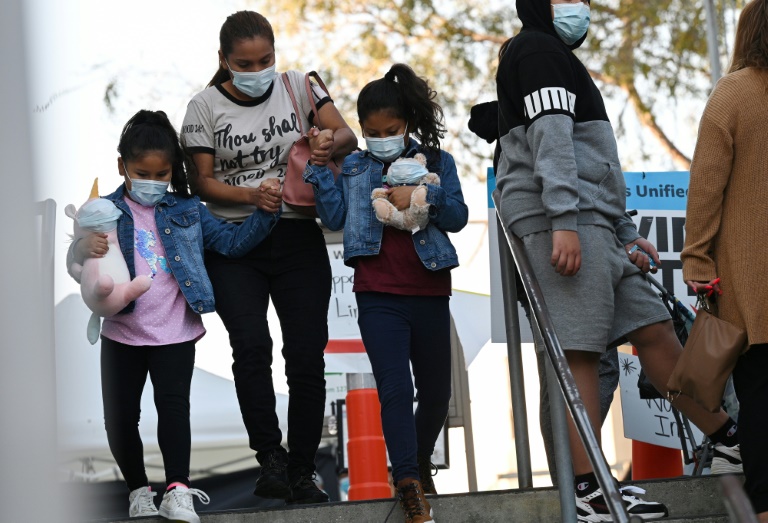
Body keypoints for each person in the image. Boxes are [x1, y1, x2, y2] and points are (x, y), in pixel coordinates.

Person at [495, 1, 741, 520]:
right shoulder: (536, 49)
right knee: (581, 353)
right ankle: (590, 491)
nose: (581, 8)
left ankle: (726, 438)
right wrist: (564, 220)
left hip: (597, 223)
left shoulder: (556, 54)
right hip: (562, 221)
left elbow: (590, 156)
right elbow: (551, 138)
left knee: (654, 330)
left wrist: (624, 229)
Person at [66, 109, 280, 522]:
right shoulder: (103, 209)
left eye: (161, 174)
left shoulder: (189, 209)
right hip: (122, 331)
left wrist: (265, 213)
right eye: (142, 173)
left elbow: (231, 243)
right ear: (122, 167)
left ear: (172, 171)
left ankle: (178, 490)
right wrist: (80, 248)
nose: (152, 181)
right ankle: (138, 491)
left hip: (175, 331)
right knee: (120, 418)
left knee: (174, 408)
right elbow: (75, 260)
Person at [180, 10, 357, 505]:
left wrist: (327, 143)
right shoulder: (202, 107)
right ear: (223, 60)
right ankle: (270, 460)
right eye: (244, 63)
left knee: (306, 354)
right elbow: (202, 183)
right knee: (251, 347)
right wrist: (251, 195)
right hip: (235, 243)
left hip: (297, 236)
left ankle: (303, 469)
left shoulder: (300, 86)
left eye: (265, 60)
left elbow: (348, 136)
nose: (257, 70)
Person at [304, 63, 468, 523]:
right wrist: (318, 169)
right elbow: (333, 218)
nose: (381, 139)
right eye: (372, 132)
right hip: (377, 294)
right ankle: (409, 481)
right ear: (361, 128)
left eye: (391, 131)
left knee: (436, 393)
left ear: (407, 123)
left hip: (430, 288)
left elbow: (458, 216)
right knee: (396, 388)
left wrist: (422, 195)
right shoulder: (354, 167)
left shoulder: (437, 162)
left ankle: (415, 463)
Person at [681, 0, 768, 517]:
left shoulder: (733, 93)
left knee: (760, 402)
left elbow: (705, 189)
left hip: (753, 291)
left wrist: (697, 262)